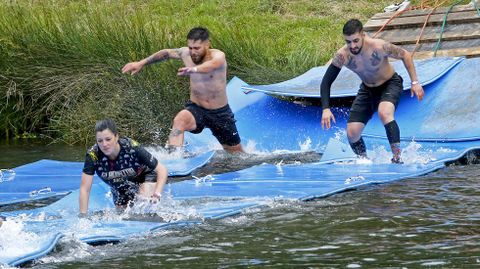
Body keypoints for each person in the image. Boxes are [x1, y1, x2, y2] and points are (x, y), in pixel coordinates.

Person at [122, 27, 244, 153]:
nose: (193, 52)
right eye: (190, 47)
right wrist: (141, 63)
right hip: (197, 108)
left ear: (207, 45)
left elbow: (211, 66)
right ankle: (174, 158)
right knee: (180, 120)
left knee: (237, 155)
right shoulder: (186, 54)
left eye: (197, 48)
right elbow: (166, 53)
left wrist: (193, 69)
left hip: (220, 114)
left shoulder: (218, 56)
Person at [320, 19, 424, 163]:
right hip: (367, 89)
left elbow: (405, 55)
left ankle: (397, 157)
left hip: (390, 83)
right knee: (352, 133)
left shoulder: (379, 46)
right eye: (348, 42)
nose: (352, 46)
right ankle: (364, 160)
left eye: (355, 41)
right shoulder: (343, 55)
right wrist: (326, 108)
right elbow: (326, 82)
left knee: (384, 112)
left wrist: (415, 82)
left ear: (363, 35)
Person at [79, 119, 168, 215]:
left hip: (145, 176)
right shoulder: (93, 155)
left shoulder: (132, 147)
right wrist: (83, 216)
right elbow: (85, 189)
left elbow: (162, 170)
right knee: (122, 214)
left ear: (116, 137)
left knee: (142, 205)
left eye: (108, 139)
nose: (104, 144)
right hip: (120, 186)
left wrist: (157, 194)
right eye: (100, 141)